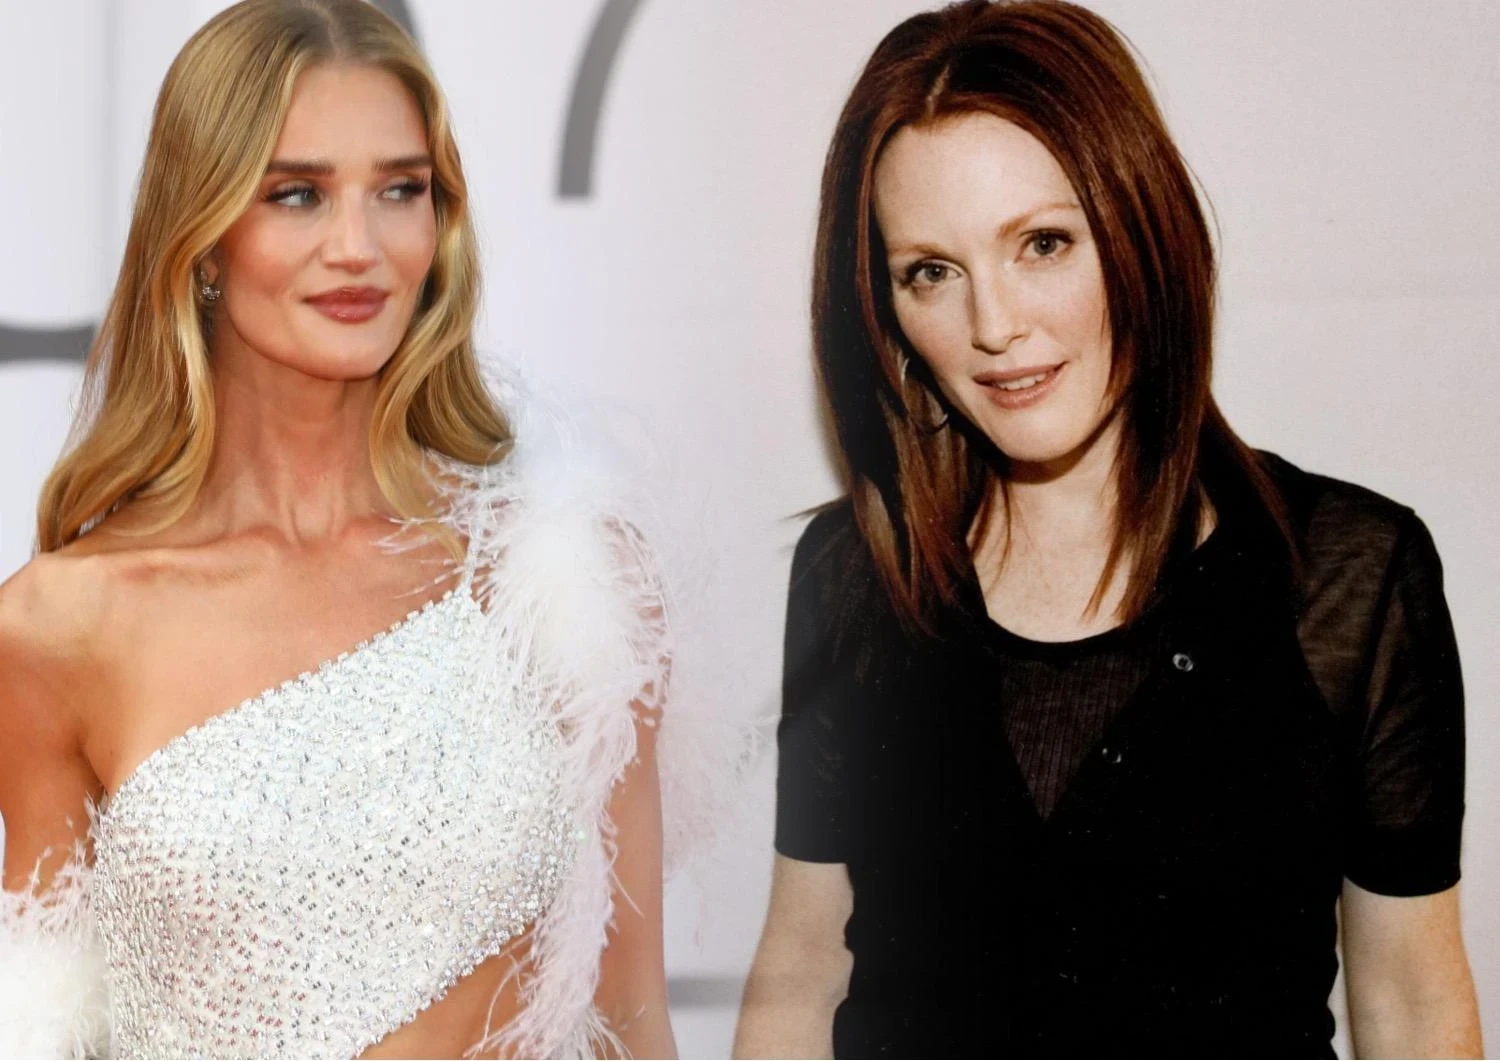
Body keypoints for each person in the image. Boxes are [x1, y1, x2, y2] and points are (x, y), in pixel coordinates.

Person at [733, 1, 1481, 1057]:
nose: (995, 326)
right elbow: (802, 973)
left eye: (1042, 244)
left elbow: (1411, 1003)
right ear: (885, 312)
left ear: (1143, 233)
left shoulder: (1347, 579)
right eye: (931, 272)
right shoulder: (857, 573)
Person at [0, 1, 685, 1056]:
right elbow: (44, 1025)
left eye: (400, 190)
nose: (359, 248)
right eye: (298, 194)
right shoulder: (60, 625)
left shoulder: (559, 577)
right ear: (204, 239)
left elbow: (629, 1015)